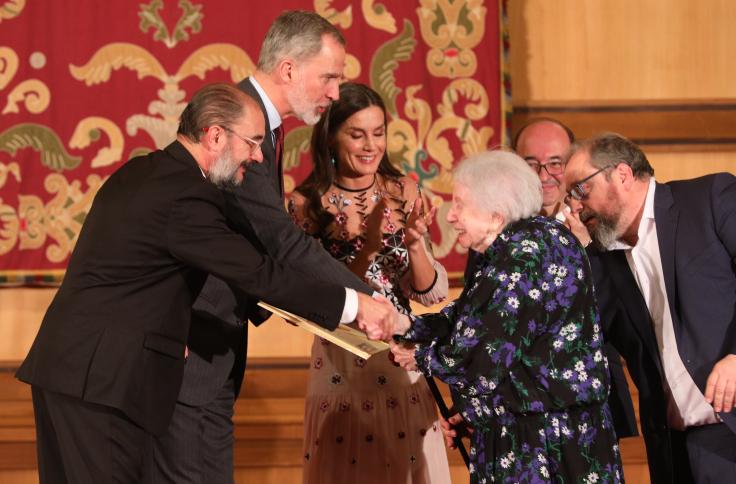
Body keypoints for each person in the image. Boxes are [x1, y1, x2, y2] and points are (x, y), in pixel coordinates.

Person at [15, 83, 397, 484]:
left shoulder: (144, 171)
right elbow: (258, 272)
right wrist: (354, 305)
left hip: (71, 372)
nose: (258, 154)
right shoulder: (186, 196)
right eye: (250, 142)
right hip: (104, 384)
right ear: (215, 135)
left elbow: (133, 280)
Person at [153, 11, 378, 484]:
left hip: (217, 341)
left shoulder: (264, 126)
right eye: (330, 76)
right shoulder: (238, 123)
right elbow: (280, 240)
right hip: (194, 344)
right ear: (290, 69)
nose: (336, 92)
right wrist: (369, 304)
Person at [391, 150, 624, 483]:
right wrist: (410, 325)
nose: (451, 216)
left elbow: (481, 360)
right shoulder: (543, 238)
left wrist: (420, 356)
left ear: (495, 216)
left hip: (542, 442)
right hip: (567, 434)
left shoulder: (520, 258)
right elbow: (475, 314)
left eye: (459, 205)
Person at [287, 82, 452, 483]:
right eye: (357, 134)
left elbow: (430, 293)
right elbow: (306, 306)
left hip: (401, 362)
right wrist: (368, 249)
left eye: (378, 133)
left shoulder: (404, 191)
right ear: (330, 136)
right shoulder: (306, 204)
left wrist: (414, 246)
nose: (370, 145)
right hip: (339, 365)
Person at [563, 133, 736, 484]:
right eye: (570, 197)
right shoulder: (602, 259)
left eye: (580, 190)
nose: (575, 207)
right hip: (673, 451)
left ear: (622, 175)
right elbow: (580, 339)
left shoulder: (710, 199)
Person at [458, 119, 638, 444]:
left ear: (572, 164)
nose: (544, 175)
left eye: (555, 163)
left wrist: (580, 256)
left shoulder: (600, 221)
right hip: (516, 415)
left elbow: (620, 319)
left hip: (590, 409)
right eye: (531, 163)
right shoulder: (492, 230)